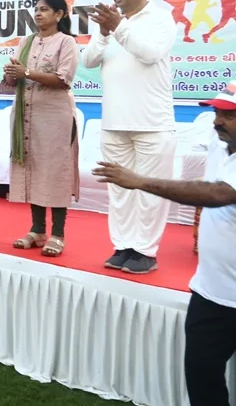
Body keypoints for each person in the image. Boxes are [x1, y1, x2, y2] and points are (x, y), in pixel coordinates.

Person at [93, 82, 236, 406]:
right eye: (217, 112)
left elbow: (218, 194)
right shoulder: (220, 143)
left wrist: (140, 181)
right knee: (203, 383)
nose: (217, 121)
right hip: (211, 294)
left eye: (229, 115)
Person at [82, 0, 176, 274]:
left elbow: (150, 53)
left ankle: (145, 251)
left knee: (149, 191)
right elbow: (88, 61)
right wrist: (103, 33)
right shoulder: (110, 24)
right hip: (113, 122)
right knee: (119, 191)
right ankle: (123, 246)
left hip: (152, 123)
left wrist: (118, 27)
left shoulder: (161, 18)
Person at [2, 0, 80, 256]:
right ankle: (37, 230)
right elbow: (13, 79)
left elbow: (63, 79)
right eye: (36, 9)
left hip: (54, 117)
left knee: (54, 171)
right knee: (32, 168)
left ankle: (58, 234)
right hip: (26, 115)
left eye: (44, 10)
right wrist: (11, 75)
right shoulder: (26, 42)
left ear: (59, 15)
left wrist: (26, 73)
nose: (37, 14)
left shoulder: (66, 42)